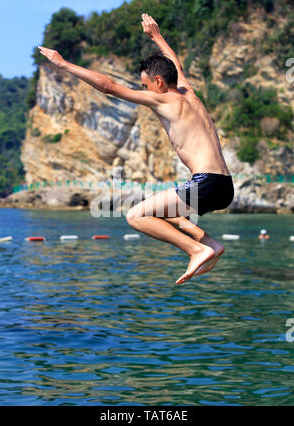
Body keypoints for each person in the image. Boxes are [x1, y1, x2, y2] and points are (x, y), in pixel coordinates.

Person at [38, 13, 234, 285]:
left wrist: (63, 64)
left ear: (158, 83)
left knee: (136, 216)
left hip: (206, 183)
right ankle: (211, 244)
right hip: (225, 186)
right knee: (167, 214)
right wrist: (156, 36)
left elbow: (109, 86)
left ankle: (196, 249)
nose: (145, 91)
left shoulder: (164, 100)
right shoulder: (189, 92)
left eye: (145, 86)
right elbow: (174, 63)